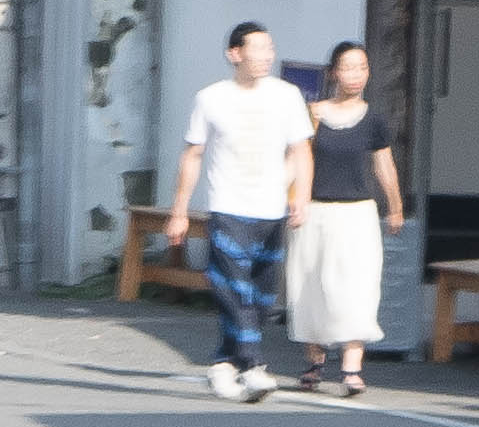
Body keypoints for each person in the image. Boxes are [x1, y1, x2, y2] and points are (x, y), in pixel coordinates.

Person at [162, 23, 309, 404]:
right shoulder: (211, 98)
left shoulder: (287, 95)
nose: (265, 56)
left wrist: (301, 195)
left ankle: (224, 363)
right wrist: (179, 211)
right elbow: (192, 155)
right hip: (228, 207)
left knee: (261, 296)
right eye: (256, 48)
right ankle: (253, 365)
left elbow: (300, 150)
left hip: (271, 209)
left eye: (269, 47)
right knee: (234, 289)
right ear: (234, 54)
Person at [287, 41, 403, 396]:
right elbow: (295, 160)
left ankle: (352, 368)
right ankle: (315, 362)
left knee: (357, 287)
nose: (355, 75)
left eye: (362, 67)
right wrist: (292, 200)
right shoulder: (312, 114)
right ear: (333, 72)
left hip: (357, 213)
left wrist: (395, 207)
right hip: (314, 211)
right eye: (348, 67)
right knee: (310, 284)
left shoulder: (373, 118)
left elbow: (384, 165)